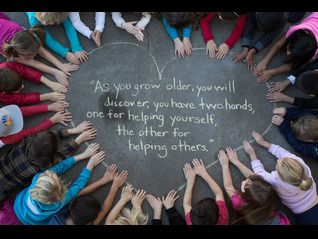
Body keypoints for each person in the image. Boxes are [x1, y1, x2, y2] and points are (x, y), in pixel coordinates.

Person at [0, 121, 96, 204]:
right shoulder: (39, 167)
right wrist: (79, 139)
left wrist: (73, 130)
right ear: (50, 156)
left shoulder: (25, 143)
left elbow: (45, 138)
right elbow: (61, 156)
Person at [11, 143, 105, 225]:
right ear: (61, 193)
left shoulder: (38, 178)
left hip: (20, 208)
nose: (48, 171)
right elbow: (77, 186)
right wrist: (90, 166)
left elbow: (57, 169)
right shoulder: (59, 203)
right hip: (26, 215)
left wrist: (83, 155)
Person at [243, 131, 318, 225]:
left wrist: (252, 155)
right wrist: (264, 143)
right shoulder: (300, 164)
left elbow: (259, 173)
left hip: (305, 215)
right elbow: (283, 153)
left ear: (281, 177)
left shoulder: (276, 181)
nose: (278, 159)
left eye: (277, 166)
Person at [0, 12, 77, 87]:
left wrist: (60, 65)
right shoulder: (11, 53)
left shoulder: (22, 32)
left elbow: (40, 49)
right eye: (31, 55)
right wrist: (55, 72)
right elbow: (33, 62)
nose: (35, 56)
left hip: (6, 25)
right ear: (20, 54)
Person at [218, 146, 290, 225]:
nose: (246, 181)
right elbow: (255, 179)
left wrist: (224, 165)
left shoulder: (239, 203)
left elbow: (228, 187)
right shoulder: (270, 197)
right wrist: (236, 162)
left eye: (245, 184)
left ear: (244, 196)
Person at [49, 165, 128, 225]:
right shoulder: (58, 212)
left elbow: (79, 194)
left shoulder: (57, 213)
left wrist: (104, 180)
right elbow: (103, 211)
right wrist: (114, 187)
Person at [254, 12, 318, 84]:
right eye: (289, 49)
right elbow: (278, 44)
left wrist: (272, 72)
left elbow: (295, 65)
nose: (287, 53)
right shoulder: (296, 30)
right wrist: (264, 61)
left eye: (291, 52)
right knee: (293, 18)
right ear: (293, 38)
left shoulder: (313, 52)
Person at [0, 103, 71, 148]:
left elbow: (21, 111)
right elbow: (29, 133)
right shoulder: (7, 139)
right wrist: (52, 120)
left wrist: (48, 107)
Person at [183, 158, 229, 225]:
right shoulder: (223, 218)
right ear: (219, 213)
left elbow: (186, 204)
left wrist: (190, 181)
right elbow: (218, 193)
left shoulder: (191, 221)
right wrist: (204, 174)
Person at [0, 62, 67, 106]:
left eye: (21, 83)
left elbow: (24, 70)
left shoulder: (6, 66)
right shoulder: (2, 95)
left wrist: (49, 83)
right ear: (4, 92)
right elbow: (21, 100)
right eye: (18, 89)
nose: (23, 86)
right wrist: (47, 96)